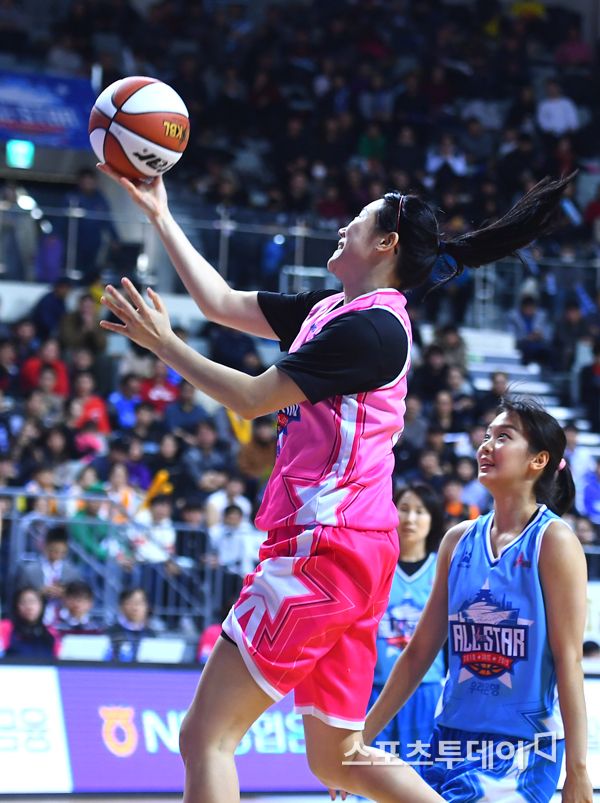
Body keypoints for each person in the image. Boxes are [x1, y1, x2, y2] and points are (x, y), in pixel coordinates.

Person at [97, 158, 574, 802]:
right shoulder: (334, 312)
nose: (343, 226)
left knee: (205, 736)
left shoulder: (371, 331)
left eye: (358, 219)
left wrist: (164, 344)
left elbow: (250, 400)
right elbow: (220, 303)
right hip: (352, 548)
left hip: (324, 547)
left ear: (386, 244)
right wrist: (160, 214)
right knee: (339, 759)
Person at [358, 399, 592, 803]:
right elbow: (418, 653)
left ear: (538, 460)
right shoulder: (458, 540)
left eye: (503, 437)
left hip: (522, 749)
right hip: (449, 738)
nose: (486, 445)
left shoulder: (553, 541)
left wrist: (578, 770)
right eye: (486, 436)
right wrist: (360, 739)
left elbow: (568, 660)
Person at [369, 484, 445, 761]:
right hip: (376, 688)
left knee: (419, 772)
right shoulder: (375, 566)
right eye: (403, 509)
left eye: (420, 511)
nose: (410, 519)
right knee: (370, 772)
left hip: (425, 688)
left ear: (432, 518)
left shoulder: (443, 569)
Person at [3, 586, 56, 659]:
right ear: (16, 606)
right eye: (23, 602)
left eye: (33, 602)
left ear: (42, 605)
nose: (29, 607)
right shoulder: (5, 628)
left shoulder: (52, 633)